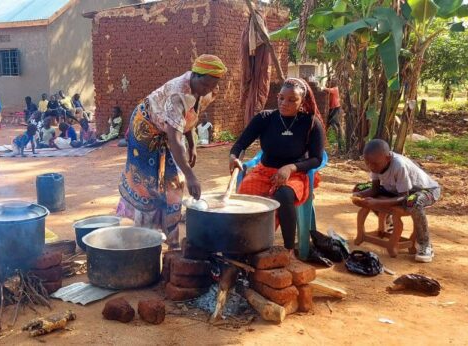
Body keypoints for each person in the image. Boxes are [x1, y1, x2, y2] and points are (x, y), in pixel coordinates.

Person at [118, 54, 226, 246]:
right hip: (145, 127)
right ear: (194, 75)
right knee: (147, 183)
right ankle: (145, 240)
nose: (208, 90)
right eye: (206, 85)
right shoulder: (178, 95)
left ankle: (172, 240)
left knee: (173, 182)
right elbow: (174, 139)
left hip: (168, 128)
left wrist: (192, 145)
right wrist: (191, 174)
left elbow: (189, 117)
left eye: (213, 86)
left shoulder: (206, 90)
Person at [230, 78, 325, 257]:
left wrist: (291, 168)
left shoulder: (311, 123)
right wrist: (234, 156)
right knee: (245, 192)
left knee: (283, 194)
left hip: (296, 174)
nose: (284, 103)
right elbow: (241, 144)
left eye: (291, 100)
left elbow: (317, 159)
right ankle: (248, 241)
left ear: (302, 102)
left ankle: (288, 248)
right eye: (281, 98)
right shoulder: (265, 118)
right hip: (264, 171)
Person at [352, 139, 441, 263]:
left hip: (422, 191)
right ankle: (389, 223)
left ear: (388, 158)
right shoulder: (376, 163)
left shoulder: (399, 165)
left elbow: (404, 197)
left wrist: (377, 203)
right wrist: (359, 195)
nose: (371, 167)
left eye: (374, 164)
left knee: (413, 202)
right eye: (368, 163)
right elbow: (375, 189)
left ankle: (425, 244)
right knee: (359, 187)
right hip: (396, 190)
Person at [324, 80, 343, 150]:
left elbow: (326, 89)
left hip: (335, 108)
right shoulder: (333, 89)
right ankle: (327, 139)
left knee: (333, 122)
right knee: (330, 123)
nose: (330, 83)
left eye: (331, 82)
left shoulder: (335, 89)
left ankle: (338, 139)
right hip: (332, 108)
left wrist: (323, 88)